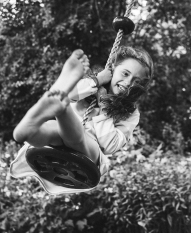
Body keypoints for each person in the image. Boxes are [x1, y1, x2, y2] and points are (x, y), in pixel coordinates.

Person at [10, 46, 154, 194]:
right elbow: (72, 93)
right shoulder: (91, 83)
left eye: (136, 81)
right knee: (51, 129)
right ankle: (27, 132)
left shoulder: (131, 112)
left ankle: (62, 108)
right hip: (61, 138)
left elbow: (110, 145)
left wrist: (104, 105)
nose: (128, 82)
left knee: (78, 138)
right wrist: (97, 81)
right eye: (125, 73)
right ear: (112, 69)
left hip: (89, 155)